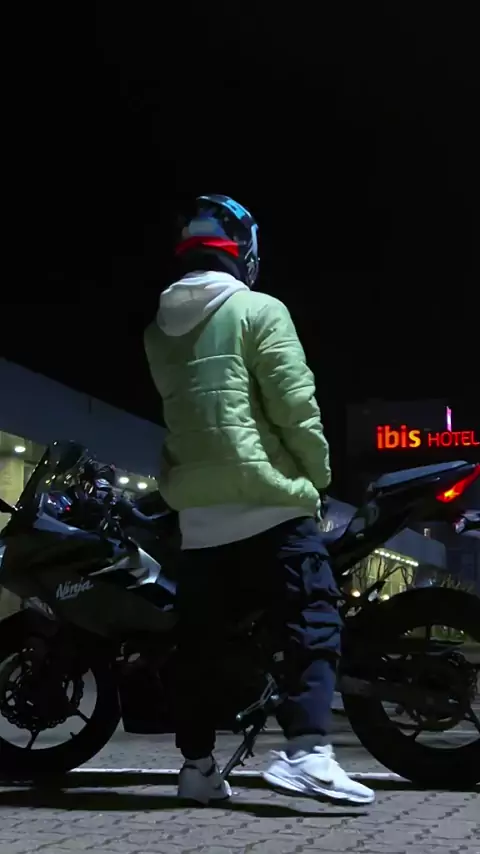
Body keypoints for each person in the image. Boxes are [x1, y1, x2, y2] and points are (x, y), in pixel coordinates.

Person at [144, 194, 374, 806]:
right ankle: (306, 752)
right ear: (243, 251)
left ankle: (197, 770)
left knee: (200, 649)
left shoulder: (158, 332)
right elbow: (295, 405)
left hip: (199, 518)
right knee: (313, 623)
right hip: (270, 504)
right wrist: (316, 477)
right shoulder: (259, 309)